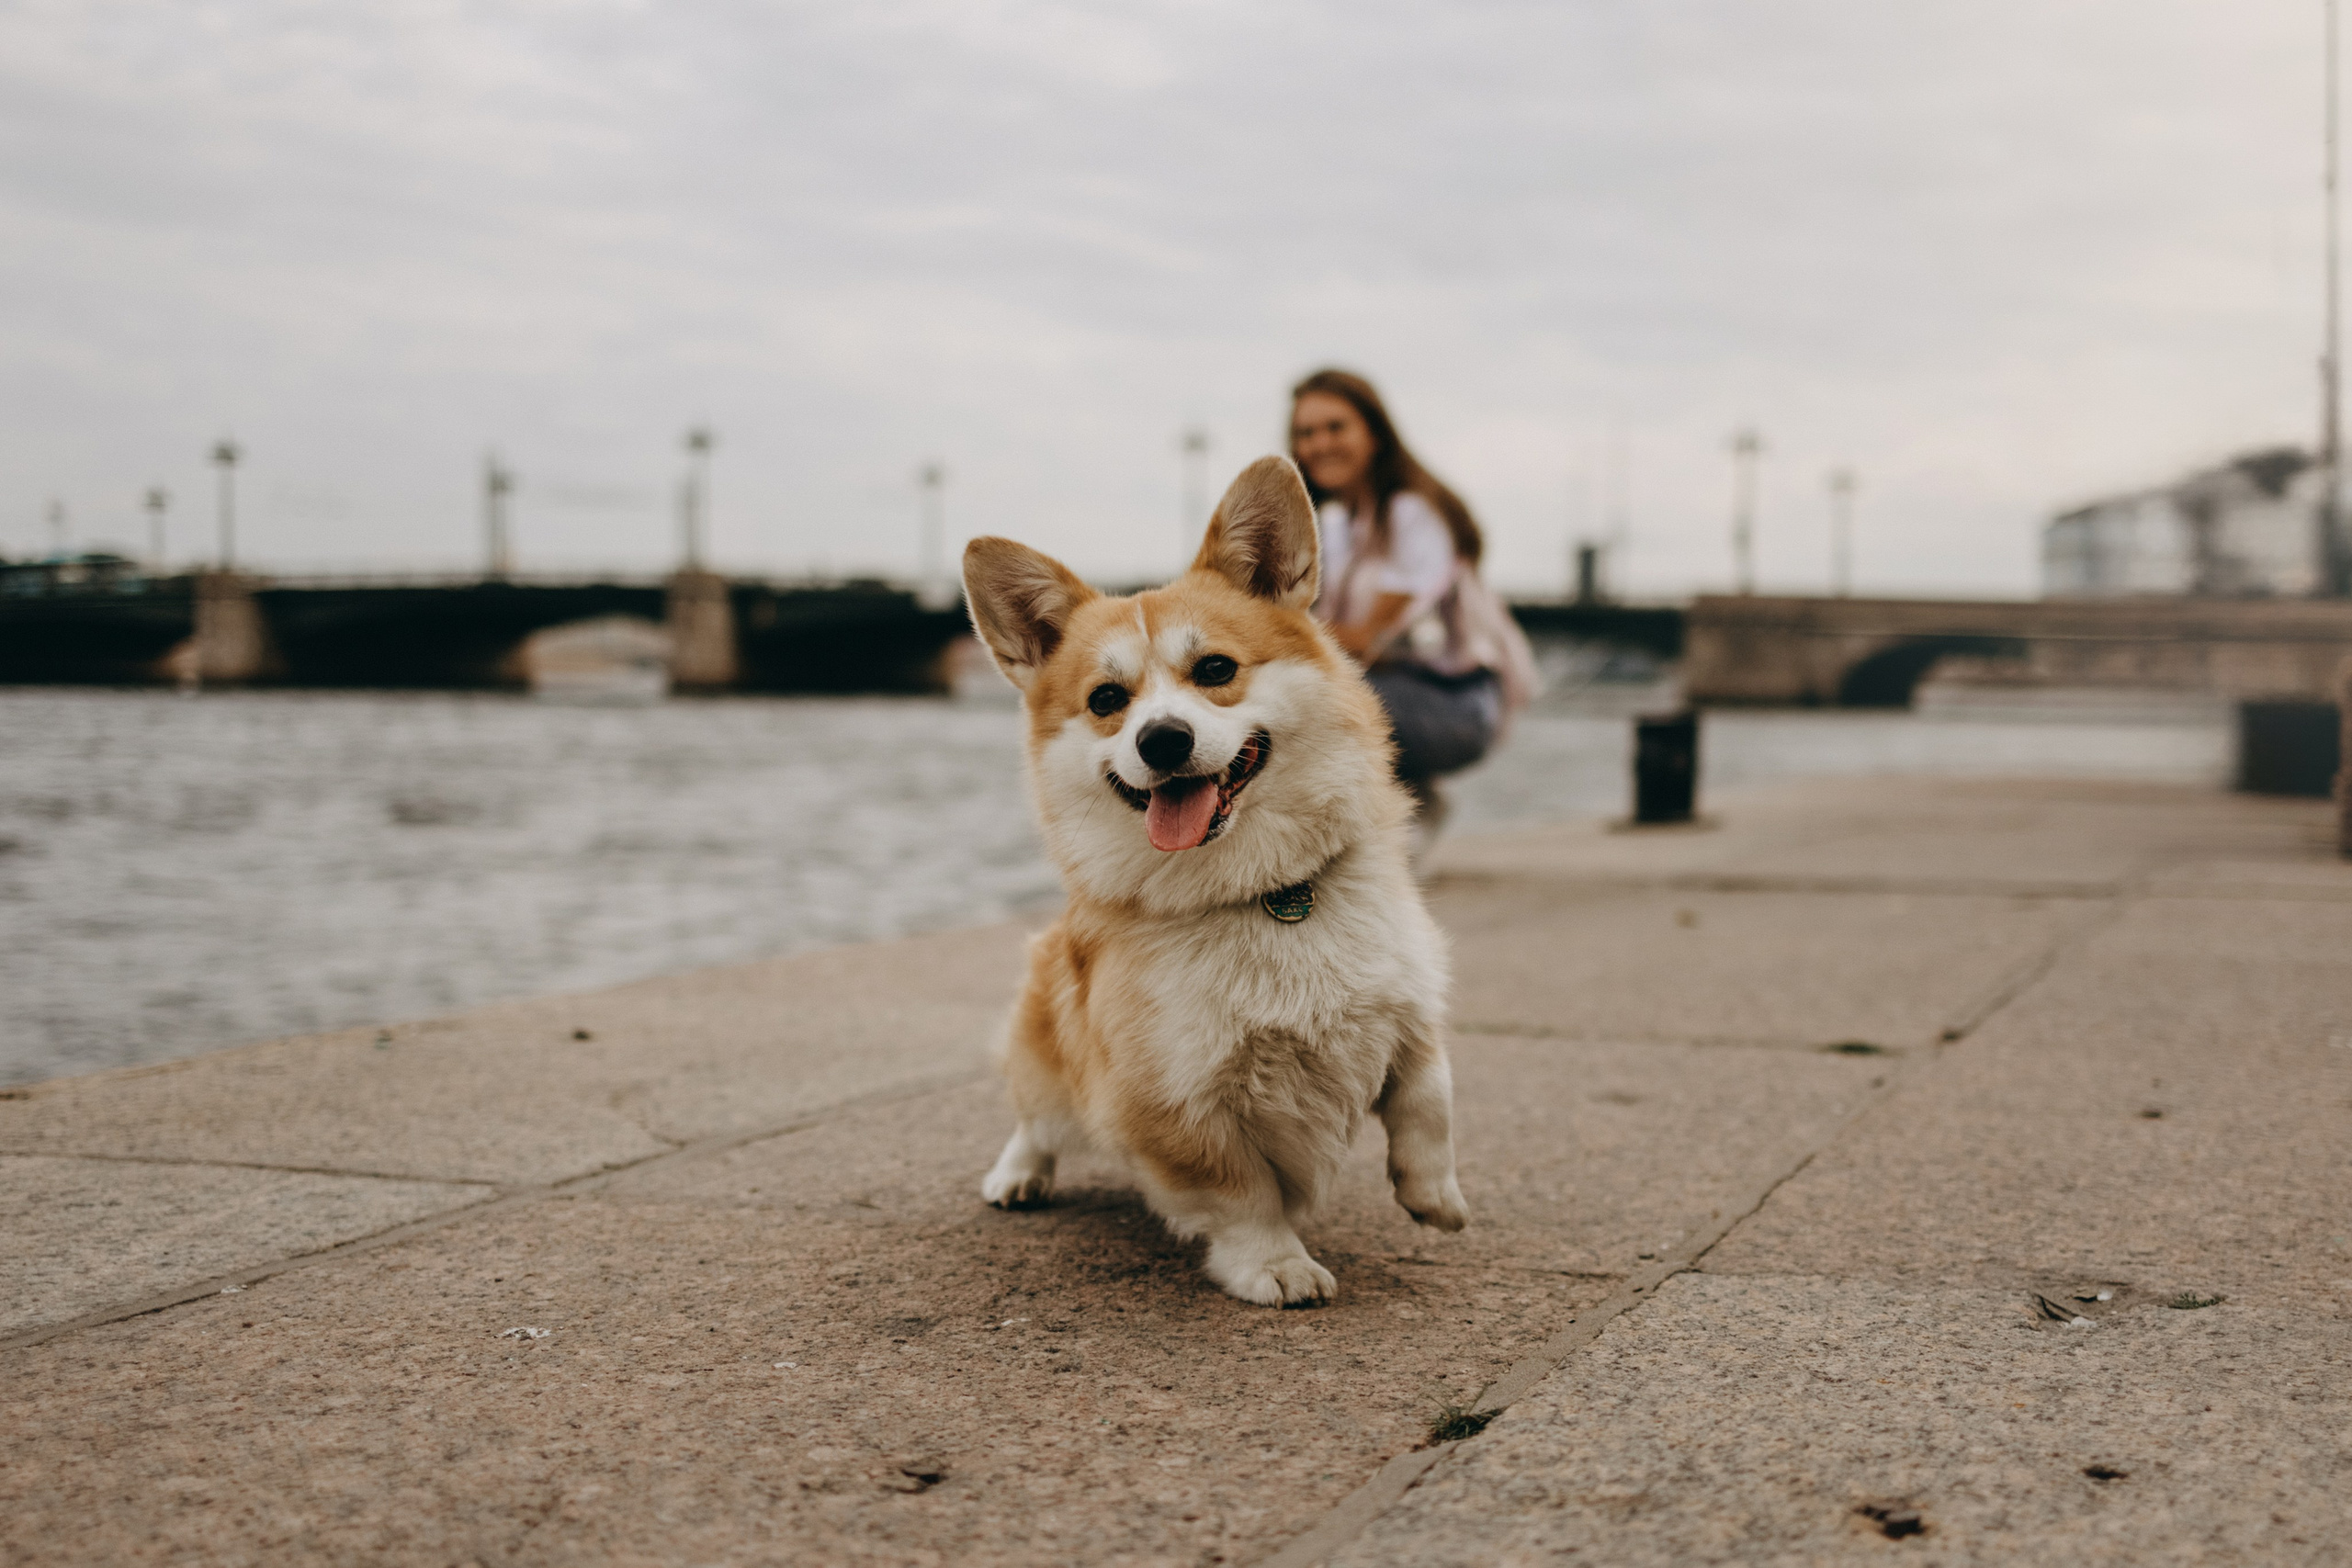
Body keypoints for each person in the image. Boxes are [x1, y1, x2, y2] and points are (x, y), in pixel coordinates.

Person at [1288, 368, 1536, 846]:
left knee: (1306, 705)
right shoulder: (1340, 525)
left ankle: (1395, 820)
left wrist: (1266, 641)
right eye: (1306, 433)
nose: (1320, 443)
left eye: (1336, 427)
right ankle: (1413, 802)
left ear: (1375, 434)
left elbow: (1364, 639)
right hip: (1408, 693)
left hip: (1459, 702)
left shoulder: (1412, 514)